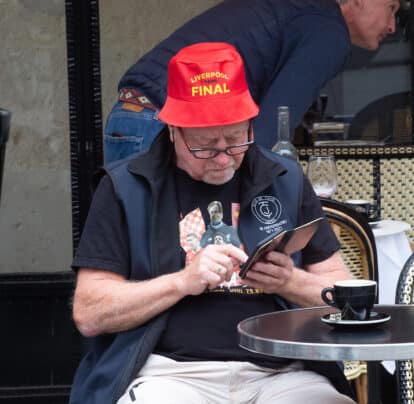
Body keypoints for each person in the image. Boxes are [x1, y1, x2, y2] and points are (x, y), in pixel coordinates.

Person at [69, 42, 356, 404]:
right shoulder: (125, 187)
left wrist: (290, 281)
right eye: (205, 145)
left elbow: (347, 298)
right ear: (173, 130)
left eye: (236, 139)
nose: (223, 158)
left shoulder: (285, 179)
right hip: (170, 375)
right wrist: (182, 282)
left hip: (282, 374)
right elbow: (90, 313)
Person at [104, 0, 401, 163]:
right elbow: (271, 130)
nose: (392, 26)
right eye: (392, 8)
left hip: (130, 117)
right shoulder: (328, 30)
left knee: (137, 264)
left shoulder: (301, 12)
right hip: (164, 128)